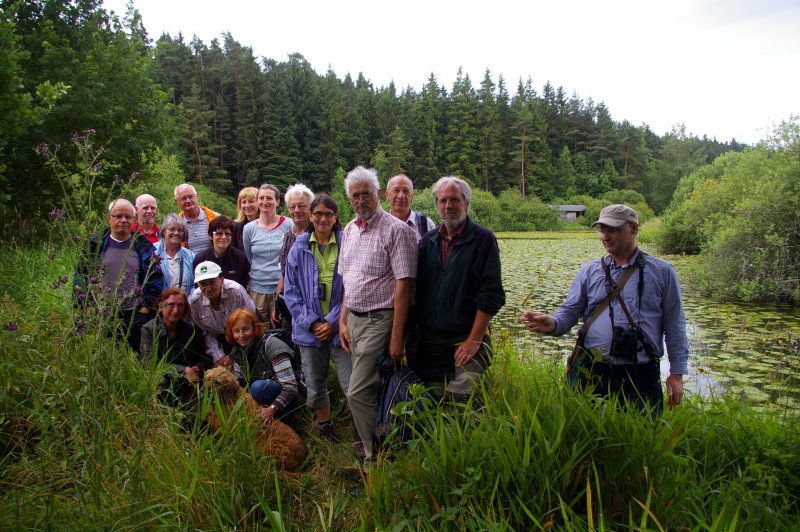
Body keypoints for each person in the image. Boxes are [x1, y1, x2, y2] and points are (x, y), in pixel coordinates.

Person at [521, 204, 689, 413]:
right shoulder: (590, 271)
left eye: (614, 229)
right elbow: (571, 310)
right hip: (591, 369)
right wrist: (553, 323)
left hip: (641, 374)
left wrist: (677, 372)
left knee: (642, 435)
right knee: (585, 435)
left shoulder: (662, 272)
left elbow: (675, 324)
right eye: (602, 230)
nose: (605, 236)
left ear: (634, 229)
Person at [337, 166, 417, 462]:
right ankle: (386, 441)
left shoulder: (397, 231)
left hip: (379, 320)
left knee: (356, 393)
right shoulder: (348, 229)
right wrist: (342, 319)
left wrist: (396, 340)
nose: (361, 200)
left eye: (366, 194)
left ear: (378, 194)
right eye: (355, 195)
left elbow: (404, 288)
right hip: (354, 321)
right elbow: (348, 279)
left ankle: (374, 456)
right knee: (372, 388)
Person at [410, 176, 505, 398]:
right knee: (427, 400)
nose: (448, 206)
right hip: (431, 342)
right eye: (443, 200)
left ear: (466, 204)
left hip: (465, 337)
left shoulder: (483, 240)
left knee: (462, 397)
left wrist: (474, 340)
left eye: (454, 200)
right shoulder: (427, 243)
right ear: (436, 205)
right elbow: (418, 294)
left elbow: (490, 294)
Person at [284, 193, 353, 440]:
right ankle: (326, 427)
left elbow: (353, 286)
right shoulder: (299, 247)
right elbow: (290, 292)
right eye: (318, 214)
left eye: (329, 214)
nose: (323, 219)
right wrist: (312, 322)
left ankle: (360, 429)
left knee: (352, 384)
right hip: (308, 329)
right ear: (311, 216)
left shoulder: (348, 243)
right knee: (315, 383)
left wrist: (333, 322)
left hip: (342, 327)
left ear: (336, 218)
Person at [73, 199, 163, 351]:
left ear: (134, 219)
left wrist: (146, 307)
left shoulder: (142, 245)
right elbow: (81, 276)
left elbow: (155, 276)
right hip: (101, 311)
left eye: (128, 217)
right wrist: (85, 305)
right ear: (109, 218)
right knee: (103, 353)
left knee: (134, 355)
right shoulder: (95, 243)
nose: (123, 220)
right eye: (118, 216)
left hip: (134, 313)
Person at [222, 309, 302, 423]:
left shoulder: (271, 344)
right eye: (236, 331)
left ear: (254, 328)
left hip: (292, 395)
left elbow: (291, 386)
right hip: (262, 395)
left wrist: (272, 408)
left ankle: (285, 418)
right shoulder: (237, 351)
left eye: (246, 329)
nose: (241, 335)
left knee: (258, 387)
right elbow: (241, 385)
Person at [139, 288, 211, 404]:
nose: (176, 310)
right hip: (165, 377)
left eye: (180, 306)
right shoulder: (148, 329)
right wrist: (183, 370)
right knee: (161, 381)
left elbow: (202, 359)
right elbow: (149, 363)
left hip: (189, 379)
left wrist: (196, 370)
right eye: (171, 305)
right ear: (161, 306)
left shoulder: (191, 330)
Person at [188, 260, 256, 363]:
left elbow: (251, 321)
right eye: (203, 284)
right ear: (198, 285)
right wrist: (219, 356)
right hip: (216, 341)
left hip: (242, 336)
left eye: (212, 282)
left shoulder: (236, 291)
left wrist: (235, 354)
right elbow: (204, 332)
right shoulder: (195, 301)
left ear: (222, 280)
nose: (208, 288)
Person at [242, 184, 293, 321]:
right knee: (259, 329)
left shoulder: (289, 225)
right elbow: (250, 258)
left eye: (269, 198)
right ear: (257, 201)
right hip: (258, 289)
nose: (265, 202)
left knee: (282, 327)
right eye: (261, 198)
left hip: (283, 289)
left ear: (277, 201)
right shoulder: (249, 229)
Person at [274, 183, 314, 328]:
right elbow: (283, 273)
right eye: (292, 207)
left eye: (302, 206)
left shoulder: (317, 235)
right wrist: (277, 302)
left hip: (310, 306)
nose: (296, 210)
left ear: (311, 207)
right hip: (288, 305)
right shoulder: (288, 236)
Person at [193, 215, 250, 289]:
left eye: (227, 234)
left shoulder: (241, 258)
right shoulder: (201, 259)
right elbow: (198, 287)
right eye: (219, 233)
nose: (223, 237)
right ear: (210, 236)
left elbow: (244, 286)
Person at [386, 173, 436, 241]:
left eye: (406, 191)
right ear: (387, 195)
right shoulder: (380, 225)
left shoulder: (426, 224)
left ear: (412, 197)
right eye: (396, 190)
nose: (401, 196)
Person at [154, 214, 196, 295]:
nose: (176, 233)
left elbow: (195, 283)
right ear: (164, 231)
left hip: (183, 304)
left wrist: (190, 300)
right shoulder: (152, 252)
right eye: (172, 229)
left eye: (180, 230)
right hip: (157, 305)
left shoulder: (190, 256)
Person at [175, 183, 218, 254]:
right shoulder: (175, 224)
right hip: (188, 264)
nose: (188, 201)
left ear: (196, 197)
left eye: (190, 196)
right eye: (183, 198)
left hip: (213, 263)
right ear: (177, 202)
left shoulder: (215, 217)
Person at [232, 186, 259, 251]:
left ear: (259, 203)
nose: (247, 205)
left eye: (251, 201)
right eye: (244, 202)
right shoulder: (236, 227)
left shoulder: (267, 225)